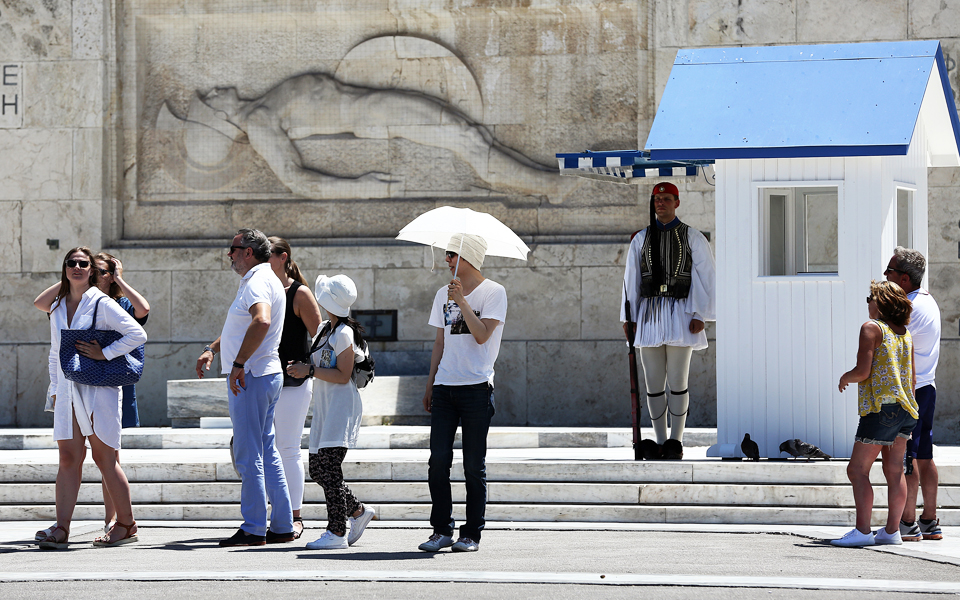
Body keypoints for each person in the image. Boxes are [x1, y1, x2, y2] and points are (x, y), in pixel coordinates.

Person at [197, 74, 575, 200]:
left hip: (374, 105)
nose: (216, 88)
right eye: (211, 96)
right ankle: (550, 185)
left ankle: (548, 180)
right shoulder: (260, 121)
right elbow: (296, 179)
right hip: (373, 113)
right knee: (467, 138)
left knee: (470, 135)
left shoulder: (262, 104)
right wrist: (359, 187)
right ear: (219, 115)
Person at [33, 252, 151, 541]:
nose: (76, 267)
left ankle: (126, 524)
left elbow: (137, 334)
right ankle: (62, 528)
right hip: (68, 389)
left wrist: (105, 353)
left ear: (92, 271)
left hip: (99, 389)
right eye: (70, 263)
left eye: (83, 264)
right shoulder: (58, 305)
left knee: (104, 457)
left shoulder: (102, 302)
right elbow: (54, 352)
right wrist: (55, 390)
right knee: (68, 457)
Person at [196, 228, 294, 547]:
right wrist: (213, 348)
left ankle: (253, 526)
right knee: (266, 449)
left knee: (249, 451)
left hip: (251, 376)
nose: (230, 254)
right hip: (264, 374)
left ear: (248, 252)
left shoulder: (256, 281)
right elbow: (241, 327)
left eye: (234, 249)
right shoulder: (267, 279)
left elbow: (260, 321)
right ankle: (281, 524)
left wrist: (238, 365)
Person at [418, 234, 506, 553]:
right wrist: (430, 385)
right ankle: (441, 530)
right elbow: (440, 343)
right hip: (445, 387)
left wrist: (463, 303)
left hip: (476, 389)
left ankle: (471, 534)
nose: (447, 261)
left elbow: (482, 336)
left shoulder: (494, 292)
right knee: (438, 461)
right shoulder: (443, 292)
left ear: (468, 257)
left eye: (452, 255)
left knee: (473, 465)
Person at [620, 182, 716, 460]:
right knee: (652, 383)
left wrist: (701, 314)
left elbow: (707, 278)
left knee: (678, 379)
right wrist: (628, 317)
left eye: (665, 199)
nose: (660, 203)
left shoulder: (693, 237)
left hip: (681, 313)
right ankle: (660, 441)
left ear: (677, 202)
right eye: (656, 199)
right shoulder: (640, 239)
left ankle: (676, 440)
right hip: (648, 315)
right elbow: (631, 281)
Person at [286, 274, 375, 549]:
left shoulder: (345, 333)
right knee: (318, 469)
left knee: (330, 470)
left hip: (341, 410)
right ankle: (358, 511)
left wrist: (309, 370)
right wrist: (303, 366)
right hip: (325, 409)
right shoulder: (325, 328)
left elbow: (342, 374)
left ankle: (336, 532)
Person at [833, 280, 918, 547]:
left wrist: (845, 377)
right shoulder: (905, 333)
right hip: (906, 409)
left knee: (857, 470)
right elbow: (912, 380)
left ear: (880, 301)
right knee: (894, 471)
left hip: (881, 410)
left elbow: (863, 371)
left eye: (870, 297)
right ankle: (892, 532)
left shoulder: (871, 328)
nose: (868, 302)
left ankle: (862, 531)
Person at [885, 247, 943, 541]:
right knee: (924, 455)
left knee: (906, 458)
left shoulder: (908, 308)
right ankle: (930, 521)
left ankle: (908, 522)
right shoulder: (927, 300)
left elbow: (888, 347)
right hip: (926, 388)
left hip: (910, 393)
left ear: (904, 278)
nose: (885, 276)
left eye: (890, 271)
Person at [267, 237, 323, 540]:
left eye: (267, 255)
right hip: (262, 380)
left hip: (293, 383)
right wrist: (213, 347)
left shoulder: (300, 294)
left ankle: (295, 516)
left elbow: (321, 338)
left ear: (283, 257)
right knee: (262, 450)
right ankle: (278, 512)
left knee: (287, 448)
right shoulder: (261, 290)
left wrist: (312, 371)